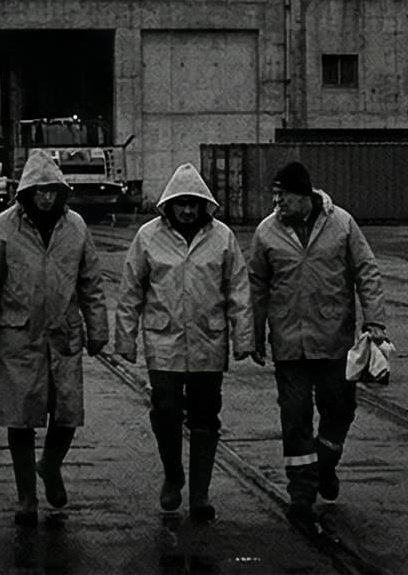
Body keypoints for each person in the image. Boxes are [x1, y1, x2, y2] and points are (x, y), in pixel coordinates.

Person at [0, 151, 107, 523]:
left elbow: (91, 283)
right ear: (27, 191)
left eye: (52, 190)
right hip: (19, 336)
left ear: (61, 191)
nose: (46, 197)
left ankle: (50, 464)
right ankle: (26, 497)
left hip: (63, 334)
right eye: (39, 190)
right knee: (21, 418)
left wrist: (98, 329)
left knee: (66, 414)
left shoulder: (76, 227)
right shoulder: (3, 227)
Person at [248, 159, 386, 528]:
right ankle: (302, 496)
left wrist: (374, 321)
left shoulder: (342, 224)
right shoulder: (266, 233)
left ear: (304, 196)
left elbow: (366, 271)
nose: (277, 203)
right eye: (274, 195)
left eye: (283, 196)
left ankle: (325, 465)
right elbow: (256, 287)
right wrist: (254, 336)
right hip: (289, 345)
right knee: (294, 419)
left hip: (334, 342)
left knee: (339, 409)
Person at [117, 163, 249, 520]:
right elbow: (131, 291)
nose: (188, 210)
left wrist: (244, 337)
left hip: (209, 343)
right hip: (164, 345)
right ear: (169, 205)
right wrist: (125, 339)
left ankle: (201, 494)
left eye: (194, 204)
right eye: (181, 203)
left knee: (206, 417)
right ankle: (173, 475)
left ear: (204, 204)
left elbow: (237, 288)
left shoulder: (222, 238)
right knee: (166, 414)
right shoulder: (147, 237)